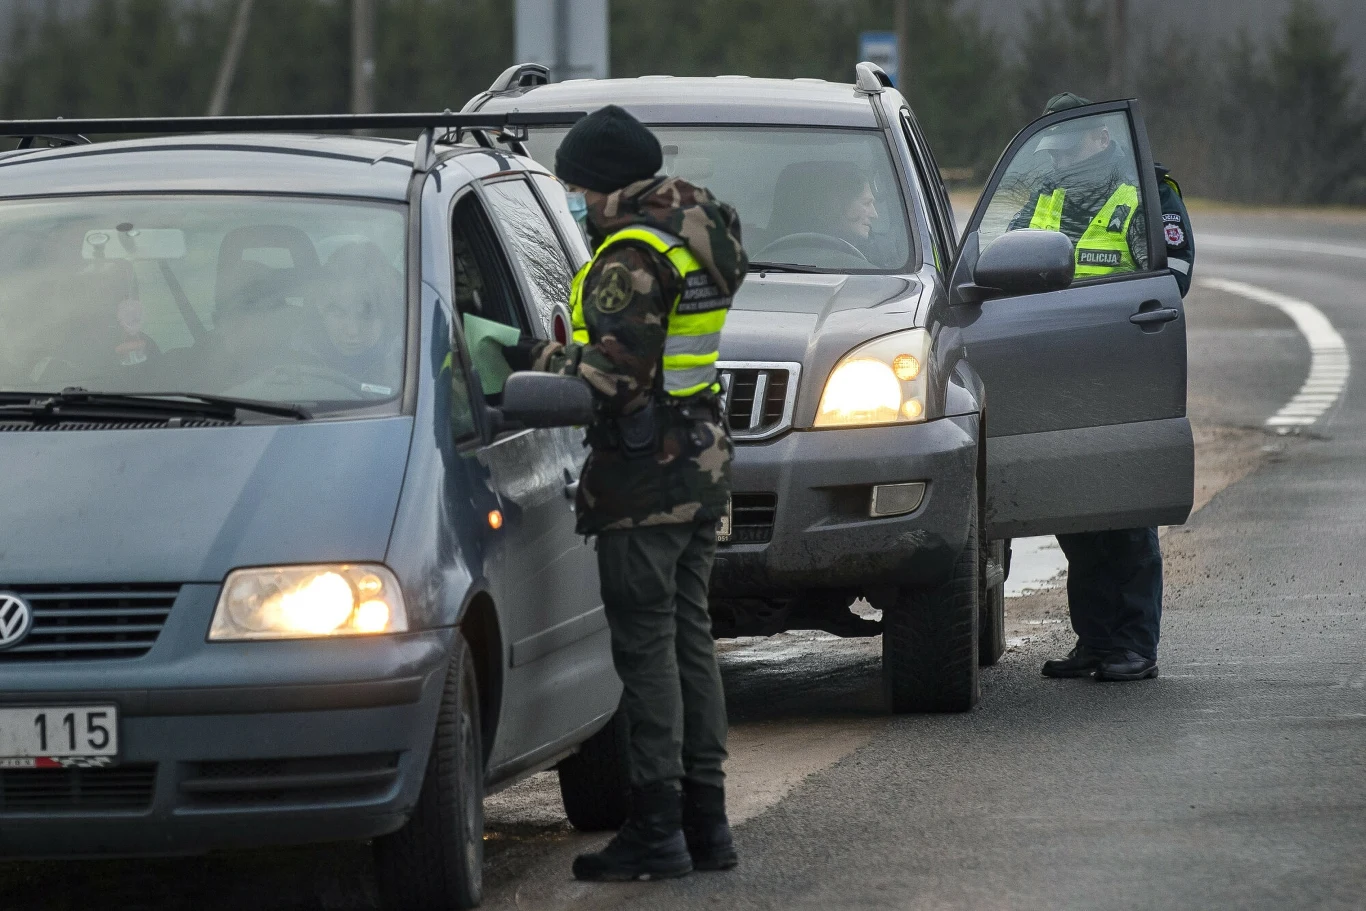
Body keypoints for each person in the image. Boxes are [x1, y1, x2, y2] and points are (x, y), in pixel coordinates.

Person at [501, 104, 747, 882]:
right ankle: (706, 823)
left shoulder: (628, 261)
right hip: (701, 466)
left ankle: (656, 827)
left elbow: (609, 381)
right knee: (689, 644)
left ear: (607, 187)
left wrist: (526, 353)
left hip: (645, 476)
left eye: (577, 188)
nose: (574, 200)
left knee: (647, 657)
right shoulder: (698, 236)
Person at [1020, 92, 1196, 683]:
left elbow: (1174, 276)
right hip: (1056, 376)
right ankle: (1094, 641)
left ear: (1098, 137)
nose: (1061, 154)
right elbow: (1008, 259)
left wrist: (1105, 313)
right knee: (1076, 516)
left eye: (1069, 142)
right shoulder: (1048, 195)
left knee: (1125, 516)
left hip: (1123, 369)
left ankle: (1134, 645)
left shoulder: (1146, 190)